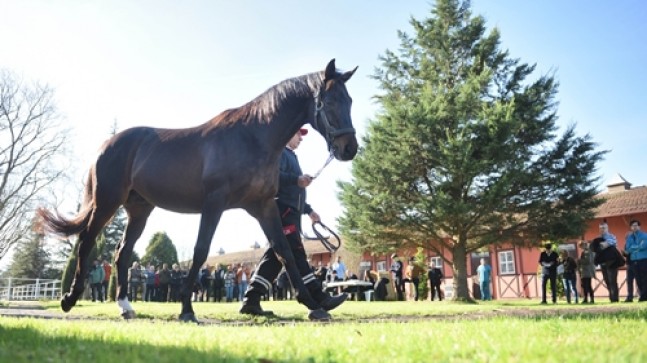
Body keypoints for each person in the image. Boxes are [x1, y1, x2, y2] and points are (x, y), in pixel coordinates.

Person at [240, 129, 347, 319]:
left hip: (291, 212)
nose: (301, 139)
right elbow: (274, 178)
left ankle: (251, 300)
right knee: (296, 252)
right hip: (283, 212)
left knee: (274, 259)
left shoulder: (290, 156)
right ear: (288, 134)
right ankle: (317, 297)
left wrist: (308, 210)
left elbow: (294, 191)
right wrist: (297, 179)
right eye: (298, 134)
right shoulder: (280, 153)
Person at [625, 219, 647, 302]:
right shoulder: (629, 237)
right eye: (633, 226)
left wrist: (633, 248)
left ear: (639, 226)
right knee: (638, 279)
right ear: (630, 227)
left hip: (643, 259)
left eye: (636, 225)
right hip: (634, 260)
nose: (634, 227)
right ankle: (642, 294)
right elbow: (627, 248)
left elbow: (643, 246)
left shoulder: (644, 236)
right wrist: (636, 247)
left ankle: (644, 296)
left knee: (644, 278)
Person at [598, 222, 619, 302]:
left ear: (607, 228)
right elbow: (595, 248)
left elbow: (608, 243)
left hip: (612, 262)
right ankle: (611, 297)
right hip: (603, 262)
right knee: (606, 280)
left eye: (603, 228)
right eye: (600, 228)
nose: (602, 230)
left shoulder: (612, 236)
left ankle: (615, 298)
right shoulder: (598, 238)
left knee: (612, 280)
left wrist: (602, 245)